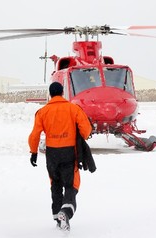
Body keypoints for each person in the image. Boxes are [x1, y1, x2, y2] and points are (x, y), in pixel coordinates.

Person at [28, 81, 92, 232]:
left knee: (55, 185)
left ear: (50, 94)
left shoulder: (42, 112)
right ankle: (66, 212)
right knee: (72, 185)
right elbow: (86, 130)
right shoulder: (73, 108)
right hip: (69, 152)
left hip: (52, 154)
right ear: (63, 93)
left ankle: (58, 219)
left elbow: (35, 135)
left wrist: (34, 152)